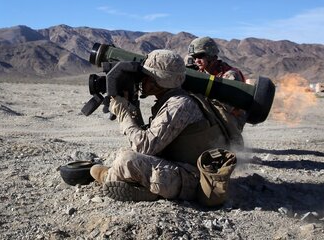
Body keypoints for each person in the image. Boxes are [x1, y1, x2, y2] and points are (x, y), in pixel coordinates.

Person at [90, 50, 231, 202]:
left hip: (194, 180)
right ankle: (145, 190)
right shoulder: (170, 100)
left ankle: (111, 179)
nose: (141, 80)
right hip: (177, 168)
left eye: (147, 76)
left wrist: (122, 112)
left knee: (128, 159)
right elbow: (148, 138)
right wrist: (131, 106)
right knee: (125, 153)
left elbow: (144, 146)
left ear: (160, 81)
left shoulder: (180, 104)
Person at [187, 36, 247, 130]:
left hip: (229, 123)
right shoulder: (201, 73)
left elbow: (228, 107)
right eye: (194, 57)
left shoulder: (230, 75)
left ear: (210, 55)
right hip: (213, 118)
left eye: (200, 56)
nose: (196, 61)